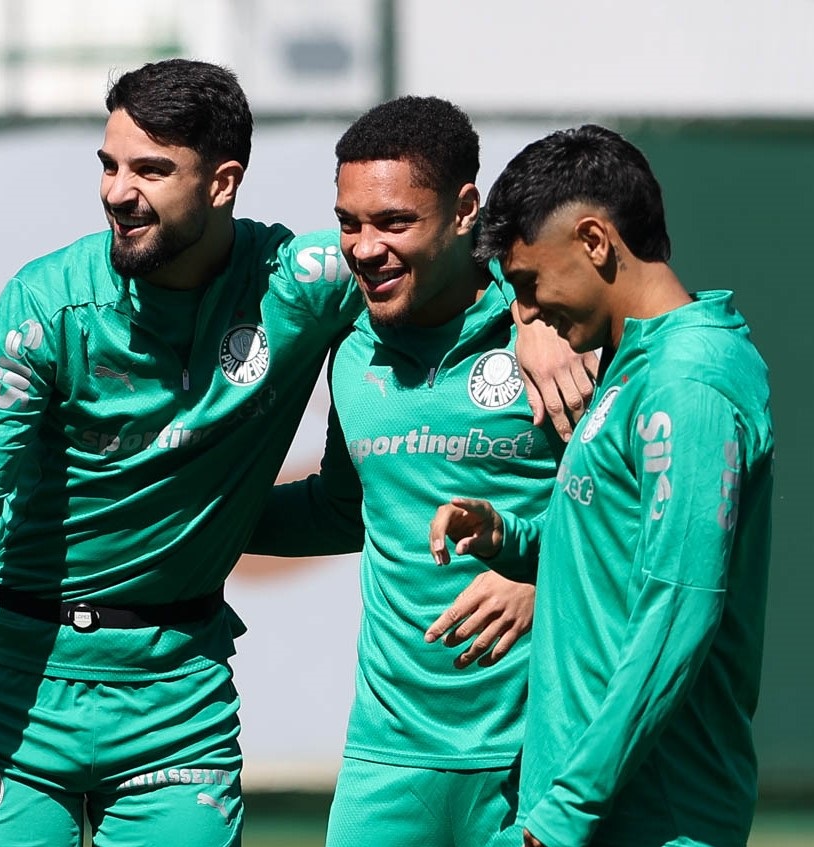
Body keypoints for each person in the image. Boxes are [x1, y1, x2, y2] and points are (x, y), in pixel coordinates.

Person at [0, 61, 593, 846]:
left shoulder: (301, 283)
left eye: (151, 170)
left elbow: (440, 258)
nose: (118, 191)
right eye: (109, 165)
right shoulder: (46, 306)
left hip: (176, 706)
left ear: (223, 183)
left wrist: (531, 313)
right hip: (14, 693)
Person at [430, 124, 775, 847]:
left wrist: (567, 810)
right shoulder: (634, 363)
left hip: (649, 815)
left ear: (594, 241)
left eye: (529, 283)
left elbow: (680, 606)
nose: (524, 312)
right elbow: (619, 548)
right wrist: (510, 538)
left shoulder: (689, 381)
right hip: (587, 812)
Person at [247, 96, 567, 847]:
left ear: (465, 212)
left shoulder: (556, 333)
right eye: (349, 222)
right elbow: (340, 510)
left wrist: (545, 578)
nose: (364, 248)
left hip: (540, 751)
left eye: (394, 222)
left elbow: (633, 511)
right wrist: (186, 513)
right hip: (387, 755)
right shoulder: (352, 348)